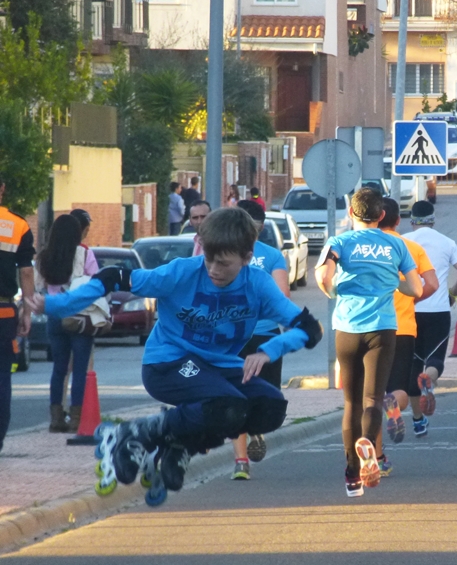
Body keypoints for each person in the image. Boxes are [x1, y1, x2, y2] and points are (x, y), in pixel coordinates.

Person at [30, 207, 322, 496]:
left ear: (247, 259)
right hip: (168, 363)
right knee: (227, 404)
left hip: (217, 366)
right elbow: (111, 278)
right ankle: (137, 433)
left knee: (270, 407)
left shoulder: (258, 284)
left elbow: (309, 328)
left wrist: (269, 350)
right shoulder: (182, 272)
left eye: (223, 263)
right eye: (209, 260)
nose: (213, 271)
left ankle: (182, 443)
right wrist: (56, 305)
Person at [315, 188, 422, 497]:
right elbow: (416, 288)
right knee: (373, 399)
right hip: (382, 329)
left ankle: (352, 473)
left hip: (347, 329)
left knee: (351, 402)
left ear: (351, 213)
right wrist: (393, 281)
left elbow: (323, 277)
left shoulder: (339, 243)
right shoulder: (396, 244)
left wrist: (334, 294)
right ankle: (368, 445)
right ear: (382, 215)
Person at [229, 199, 291, 480]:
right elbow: (283, 298)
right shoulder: (273, 256)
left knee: (235, 395)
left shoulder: (222, 253)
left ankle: (241, 461)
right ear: (262, 227)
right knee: (265, 394)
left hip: (231, 338)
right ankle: (256, 430)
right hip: (266, 338)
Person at [377, 198, 437, 472]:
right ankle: (394, 405)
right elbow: (432, 284)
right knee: (397, 389)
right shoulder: (411, 247)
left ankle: (378, 457)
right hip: (401, 328)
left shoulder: (361, 246)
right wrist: (412, 298)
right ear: (398, 221)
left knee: (370, 398)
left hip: (365, 328)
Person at [404, 200, 457, 437]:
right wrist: (453, 292)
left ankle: (418, 420)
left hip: (410, 310)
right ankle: (428, 379)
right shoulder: (446, 242)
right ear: (433, 219)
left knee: (413, 363)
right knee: (435, 360)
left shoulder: (403, 241)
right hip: (438, 311)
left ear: (412, 221)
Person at [35, 215, 100, 433]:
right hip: (79, 317)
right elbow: (96, 282)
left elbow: (38, 285)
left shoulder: (45, 257)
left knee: (59, 369)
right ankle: (76, 418)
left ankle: (55, 418)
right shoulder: (84, 253)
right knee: (80, 369)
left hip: (54, 315)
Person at [0, 178, 34, 454]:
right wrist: (27, 310)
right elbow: (25, 271)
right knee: (2, 376)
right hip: (3, 313)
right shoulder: (18, 226)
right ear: (2, 188)